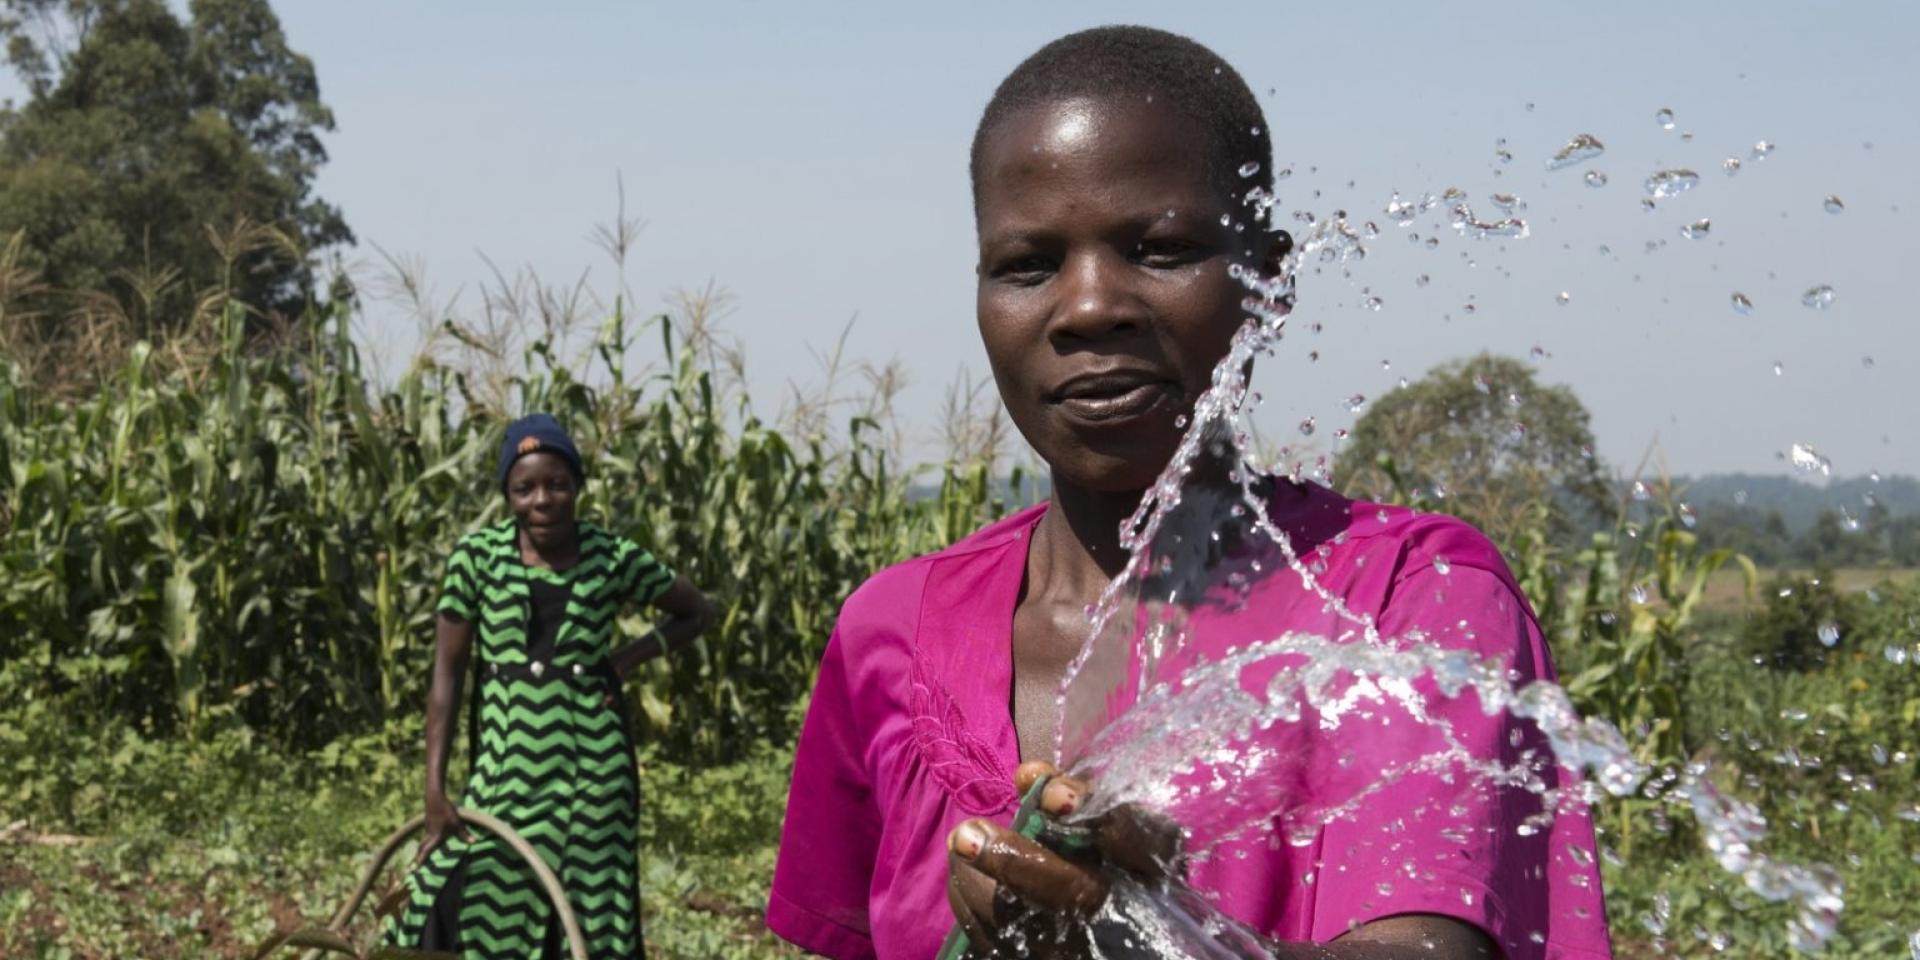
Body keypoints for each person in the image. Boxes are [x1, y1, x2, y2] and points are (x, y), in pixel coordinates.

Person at [766, 26, 1613, 960]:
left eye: (1159, 249)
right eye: (1028, 266)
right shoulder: (890, 630)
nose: (1089, 306)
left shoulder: (1403, 605)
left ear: (1268, 282)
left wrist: (1148, 938)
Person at [385, 413, 715, 959]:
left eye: (557, 483)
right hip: (505, 769)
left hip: (595, 774)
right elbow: (447, 678)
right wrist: (434, 788)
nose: (543, 499)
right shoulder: (476, 559)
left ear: (577, 486)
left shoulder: (612, 556)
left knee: (590, 906)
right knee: (456, 887)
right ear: (507, 495)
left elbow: (695, 611)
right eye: (525, 488)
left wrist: (625, 661)